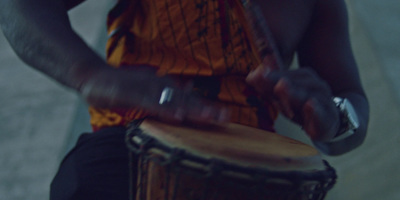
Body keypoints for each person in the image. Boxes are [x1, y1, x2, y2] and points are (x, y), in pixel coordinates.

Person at [0, 0, 369, 199]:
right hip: (128, 150)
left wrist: (334, 116)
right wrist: (90, 74)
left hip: (255, 175)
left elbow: (351, 111)